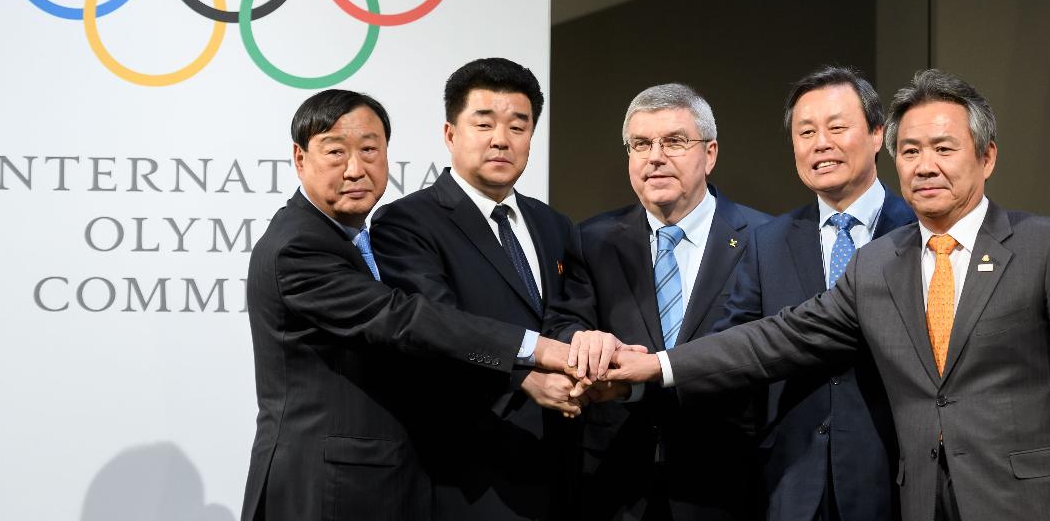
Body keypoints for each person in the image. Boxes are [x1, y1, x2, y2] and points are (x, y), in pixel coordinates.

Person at [602, 70, 1050, 521]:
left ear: (987, 156)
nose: (925, 165)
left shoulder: (1049, 247)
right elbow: (775, 338)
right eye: (912, 151)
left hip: (1025, 502)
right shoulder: (880, 264)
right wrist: (656, 365)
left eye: (943, 148)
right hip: (918, 500)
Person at [241, 89, 576, 521]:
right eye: (335, 152)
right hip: (327, 488)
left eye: (369, 150)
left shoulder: (353, 237)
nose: (355, 169)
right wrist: (536, 351)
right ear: (300, 158)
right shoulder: (299, 247)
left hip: (382, 481)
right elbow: (401, 320)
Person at [546, 83, 772, 520]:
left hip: (726, 478)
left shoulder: (763, 238)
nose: (655, 157)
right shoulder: (591, 238)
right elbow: (562, 324)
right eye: (641, 144)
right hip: (615, 479)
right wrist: (587, 341)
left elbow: (767, 351)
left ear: (710, 154)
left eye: (674, 142)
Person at [369, 58, 582, 520]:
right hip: (466, 469)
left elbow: (568, 313)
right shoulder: (407, 221)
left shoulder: (555, 224)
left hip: (560, 462)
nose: (501, 139)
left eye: (518, 126)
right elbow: (435, 329)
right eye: (483, 123)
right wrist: (522, 377)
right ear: (450, 134)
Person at [715, 66, 912, 521]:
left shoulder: (918, 230)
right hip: (791, 481)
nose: (820, 143)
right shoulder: (768, 241)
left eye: (837, 127)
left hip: (896, 478)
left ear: (878, 134)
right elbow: (738, 347)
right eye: (806, 132)